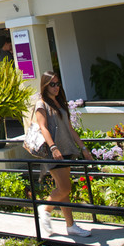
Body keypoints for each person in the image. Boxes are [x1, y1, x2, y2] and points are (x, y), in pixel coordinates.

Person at [32, 71, 93, 237]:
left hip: (66, 149)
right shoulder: (41, 104)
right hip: (54, 152)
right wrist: (53, 147)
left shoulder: (60, 103)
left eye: (57, 84)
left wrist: (83, 148)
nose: (56, 87)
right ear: (45, 86)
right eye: (52, 84)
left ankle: (71, 225)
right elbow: (43, 127)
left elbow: (70, 128)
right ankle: (45, 208)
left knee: (63, 189)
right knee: (65, 188)